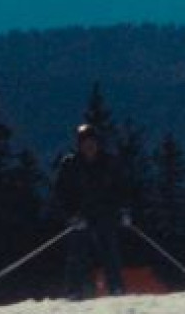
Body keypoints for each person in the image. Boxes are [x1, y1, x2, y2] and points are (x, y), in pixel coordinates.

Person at [52, 122, 129, 299]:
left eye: (92, 142)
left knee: (110, 253)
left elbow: (121, 188)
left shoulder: (109, 162)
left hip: (105, 214)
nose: (89, 146)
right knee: (77, 254)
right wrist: (71, 216)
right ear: (79, 145)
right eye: (85, 142)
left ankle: (116, 289)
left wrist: (124, 210)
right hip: (80, 216)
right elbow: (61, 194)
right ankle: (74, 291)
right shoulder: (70, 164)